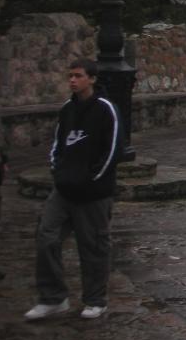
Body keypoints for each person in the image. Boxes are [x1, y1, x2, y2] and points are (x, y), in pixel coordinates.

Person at [24, 58, 121, 321]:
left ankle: (95, 299)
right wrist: (59, 172)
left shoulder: (105, 109)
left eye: (78, 76)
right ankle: (53, 297)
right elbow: (58, 144)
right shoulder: (67, 109)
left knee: (93, 247)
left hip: (93, 193)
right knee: (46, 237)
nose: (72, 80)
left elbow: (112, 150)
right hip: (64, 189)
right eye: (70, 76)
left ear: (91, 78)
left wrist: (92, 180)